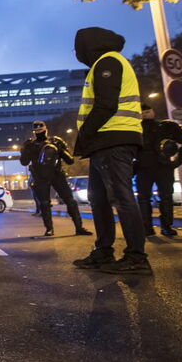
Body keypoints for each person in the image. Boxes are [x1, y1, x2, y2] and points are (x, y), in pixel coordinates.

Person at [70, 27, 150, 275]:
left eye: (78, 47)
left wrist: (85, 134)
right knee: (99, 199)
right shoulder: (101, 65)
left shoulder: (109, 62)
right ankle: (104, 251)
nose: (75, 52)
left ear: (89, 45)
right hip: (103, 142)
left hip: (113, 139)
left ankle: (137, 257)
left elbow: (106, 105)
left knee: (121, 197)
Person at [20, 121, 93, 237]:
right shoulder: (33, 144)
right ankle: (54, 228)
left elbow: (70, 160)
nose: (39, 133)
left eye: (40, 131)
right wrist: (25, 150)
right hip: (44, 176)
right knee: (48, 203)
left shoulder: (54, 142)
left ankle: (75, 227)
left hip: (54, 175)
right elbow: (24, 162)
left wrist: (60, 150)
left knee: (68, 201)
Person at [135, 103, 182, 237]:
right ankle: (164, 227)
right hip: (158, 166)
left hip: (148, 167)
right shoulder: (165, 127)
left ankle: (149, 228)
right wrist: (177, 161)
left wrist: (177, 160)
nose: (145, 114)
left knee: (148, 198)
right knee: (162, 197)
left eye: (147, 111)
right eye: (143, 112)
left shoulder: (136, 129)